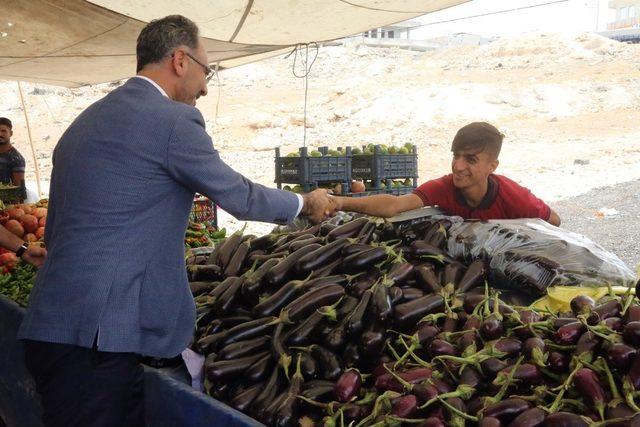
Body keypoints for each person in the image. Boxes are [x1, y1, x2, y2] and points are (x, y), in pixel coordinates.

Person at [18, 15, 336, 427]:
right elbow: (239, 195)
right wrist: (304, 203)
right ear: (180, 60)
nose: (206, 86)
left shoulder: (86, 121)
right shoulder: (172, 121)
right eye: (208, 71)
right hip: (99, 338)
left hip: (52, 323)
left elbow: (61, 226)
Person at [334, 122, 561, 226]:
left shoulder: (514, 197)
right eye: (456, 155)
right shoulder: (444, 187)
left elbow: (554, 221)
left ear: (493, 166)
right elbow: (395, 205)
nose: (458, 166)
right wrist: (339, 202)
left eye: (471, 159)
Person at [0, 117, 26, 187]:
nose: (0, 134)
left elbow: (19, 191)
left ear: (11, 133)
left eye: (3, 131)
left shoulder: (16, 159)